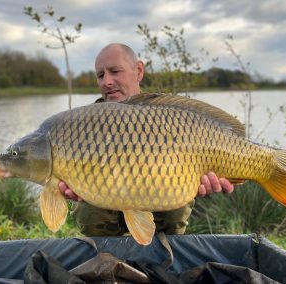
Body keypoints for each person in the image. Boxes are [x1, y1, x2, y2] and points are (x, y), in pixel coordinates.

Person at [59, 43, 234, 236]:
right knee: (88, 207)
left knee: (172, 189)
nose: (107, 81)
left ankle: (161, 254)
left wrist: (207, 179)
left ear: (139, 71)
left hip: (164, 208)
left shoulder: (168, 114)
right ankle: (107, 257)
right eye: (100, 75)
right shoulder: (88, 123)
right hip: (104, 216)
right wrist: (74, 180)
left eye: (115, 71)